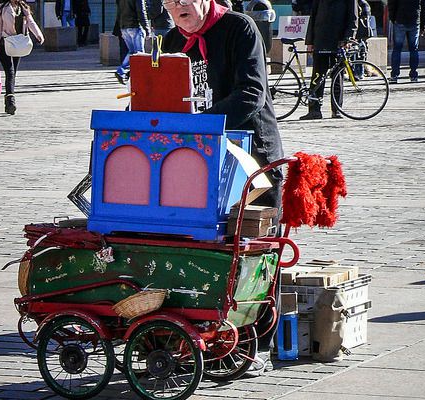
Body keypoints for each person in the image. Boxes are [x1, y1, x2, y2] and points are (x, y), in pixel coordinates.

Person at [162, 0, 283, 357]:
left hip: (252, 157)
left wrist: (199, 126)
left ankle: (256, 344)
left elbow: (251, 93)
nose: (178, 6)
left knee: (254, 251)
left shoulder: (239, 27)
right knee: (205, 250)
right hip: (198, 160)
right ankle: (204, 335)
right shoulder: (171, 42)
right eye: (170, 1)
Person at [300, 0, 358, 120]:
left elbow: (353, 17)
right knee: (317, 76)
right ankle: (314, 110)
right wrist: (310, 41)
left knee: (337, 77)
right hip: (320, 39)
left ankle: (336, 109)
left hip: (339, 41)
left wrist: (348, 38)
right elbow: (314, 16)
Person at [0, 0, 44, 115]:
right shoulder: (2, 8)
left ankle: (8, 100)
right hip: (4, 44)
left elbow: (31, 22)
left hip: (18, 44)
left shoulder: (23, 7)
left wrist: (38, 35)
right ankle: (11, 101)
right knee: (10, 72)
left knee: (13, 73)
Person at [388, 0, 425, 83]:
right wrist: (423, 24)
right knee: (414, 49)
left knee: (397, 49)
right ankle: (413, 75)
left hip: (400, 19)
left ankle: (394, 75)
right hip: (414, 20)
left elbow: (392, 4)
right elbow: (424, 6)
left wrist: (393, 19)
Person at [114, 0, 151, 84]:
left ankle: (123, 71)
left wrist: (120, 27)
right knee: (139, 53)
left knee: (131, 52)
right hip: (135, 26)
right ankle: (138, 75)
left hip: (124, 27)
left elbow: (119, 12)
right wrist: (147, 29)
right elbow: (141, 12)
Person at [353, 0, 371, 79]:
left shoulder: (360, 4)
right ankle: (360, 72)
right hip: (361, 33)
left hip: (357, 32)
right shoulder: (363, 3)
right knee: (361, 52)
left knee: (357, 52)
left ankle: (357, 72)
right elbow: (367, 17)